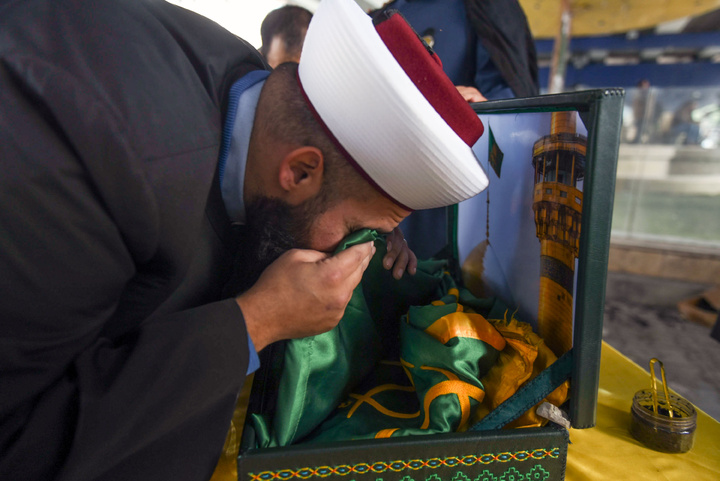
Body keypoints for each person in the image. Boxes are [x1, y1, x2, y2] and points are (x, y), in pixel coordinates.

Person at [0, 0, 488, 479]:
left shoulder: (258, 92)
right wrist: (256, 320)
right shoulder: (89, 160)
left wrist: (369, 207)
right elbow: (19, 442)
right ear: (298, 171)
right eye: (354, 228)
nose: (350, 249)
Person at [372, 0, 539, 259]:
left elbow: (510, 100)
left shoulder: (486, 6)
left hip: (455, 198)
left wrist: (483, 107)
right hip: (390, 187)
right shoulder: (385, 13)